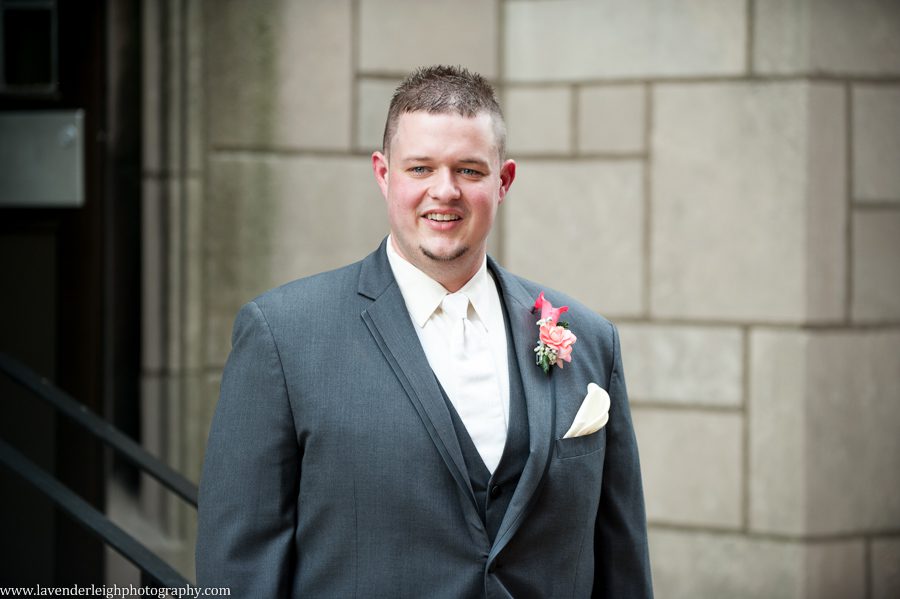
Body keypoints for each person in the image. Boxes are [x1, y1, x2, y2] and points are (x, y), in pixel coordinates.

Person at [196, 65, 652, 598]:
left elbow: (621, 562)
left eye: (469, 171)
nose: (445, 191)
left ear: (503, 181)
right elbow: (239, 564)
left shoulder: (591, 340)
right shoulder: (282, 336)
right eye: (420, 168)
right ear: (383, 174)